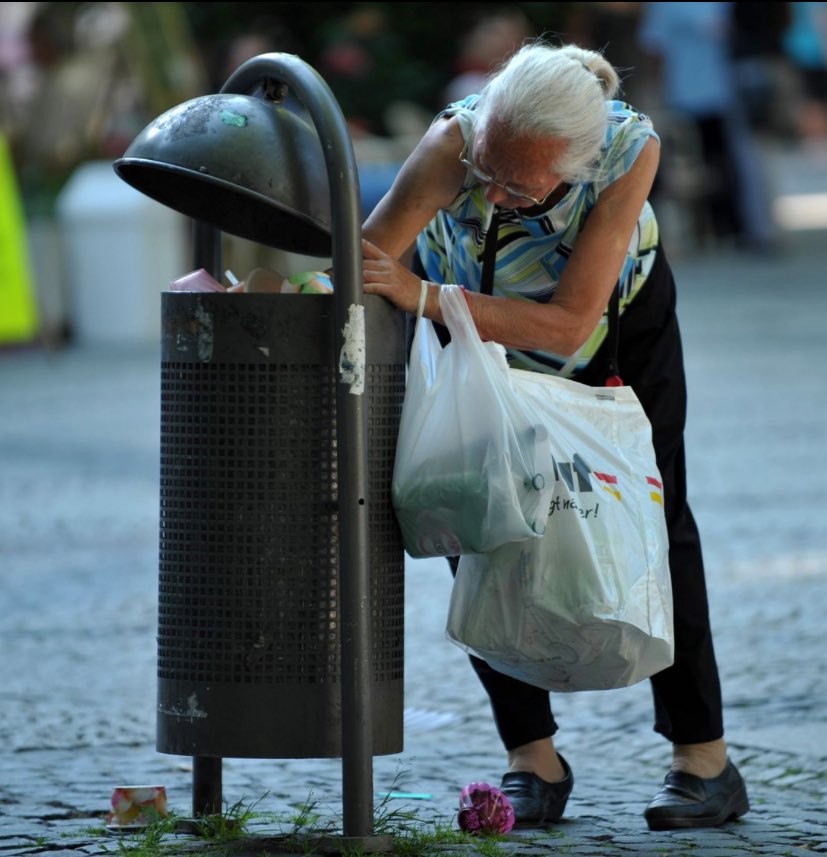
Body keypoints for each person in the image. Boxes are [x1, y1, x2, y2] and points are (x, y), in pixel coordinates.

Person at [361, 40, 750, 831]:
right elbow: (367, 261)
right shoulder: (453, 141)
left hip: (612, 333)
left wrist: (423, 295)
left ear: (576, 162)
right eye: (487, 171)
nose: (495, 195)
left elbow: (570, 322)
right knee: (472, 513)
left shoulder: (628, 150)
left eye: (521, 184)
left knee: (655, 520)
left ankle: (703, 759)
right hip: (470, 336)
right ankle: (530, 757)